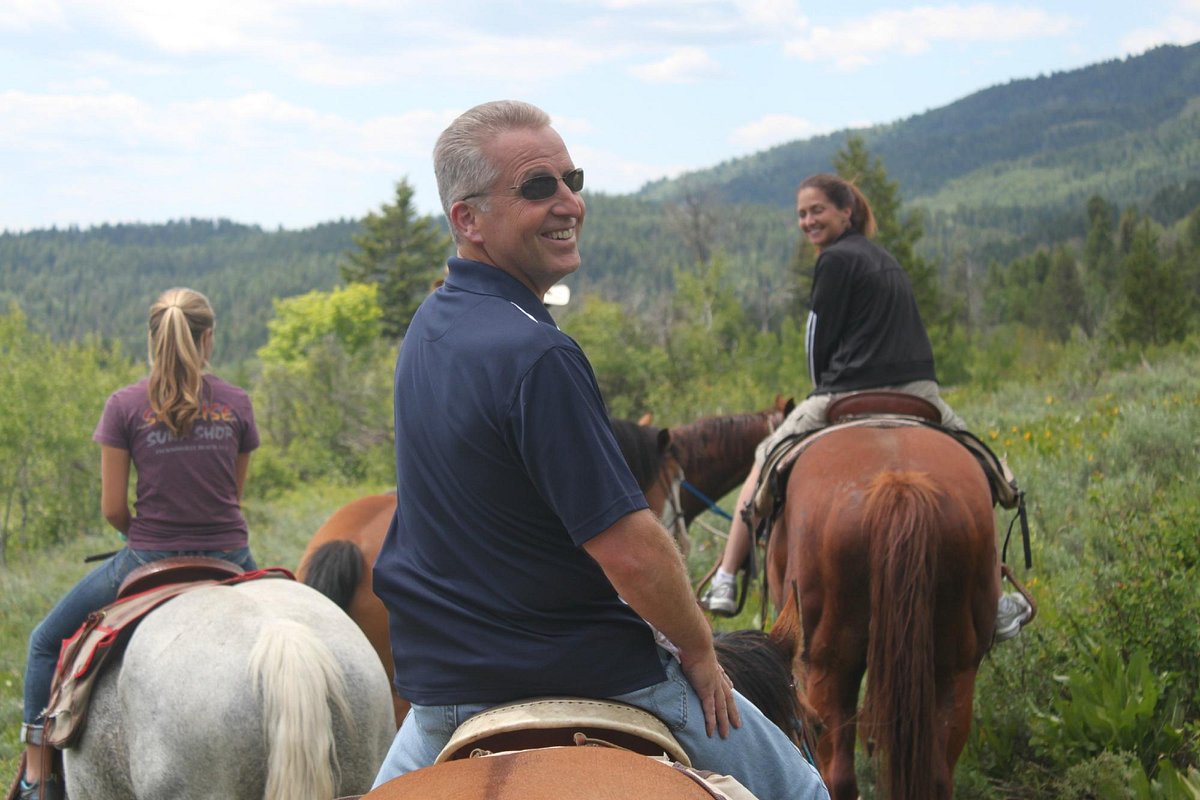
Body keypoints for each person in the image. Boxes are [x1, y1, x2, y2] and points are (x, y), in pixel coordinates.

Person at [370, 100, 828, 800]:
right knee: (803, 792)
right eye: (537, 187)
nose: (569, 202)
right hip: (591, 671)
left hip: (443, 700)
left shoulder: (429, 327)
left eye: (572, 179)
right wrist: (703, 654)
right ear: (468, 220)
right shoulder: (537, 353)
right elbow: (630, 549)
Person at [699, 173, 1033, 642]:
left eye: (817, 211)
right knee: (985, 469)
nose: (808, 221)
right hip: (919, 390)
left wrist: (820, 391)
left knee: (765, 459)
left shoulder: (833, 260)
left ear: (845, 212)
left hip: (848, 389)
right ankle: (994, 599)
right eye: (801, 214)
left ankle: (727, 577)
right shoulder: (886, 259)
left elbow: (817, 339)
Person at [15, 288, 260, 800]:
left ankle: (38, 773)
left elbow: (111, 508)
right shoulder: (236, 402)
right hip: (230, 557)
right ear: (208, 338)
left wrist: (146, 539)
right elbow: (231, 496)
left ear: (153, 338)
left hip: (148, 554)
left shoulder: (124, 405)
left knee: (43, 642)